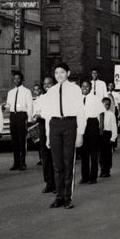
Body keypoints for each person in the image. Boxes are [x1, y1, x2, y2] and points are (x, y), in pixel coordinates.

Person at [43, 63, 86, 209]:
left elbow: (81, 112)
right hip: (55, 126)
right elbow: (48, 115)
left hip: (69, 124)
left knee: (68, 162)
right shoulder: (51, 91)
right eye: (56, 73)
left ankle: (68, 197)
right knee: (57, 164)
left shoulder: (75, 89)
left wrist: (80, 134)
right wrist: (48, 136)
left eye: (62, 72)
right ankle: (59, 196)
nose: (59, 75)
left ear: (68, 73)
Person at [79, 80, 105, 184]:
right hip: (82, 125)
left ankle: (93, 177)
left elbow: (102, 113)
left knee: (93, 152)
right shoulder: (78, 98)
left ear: (90, 88)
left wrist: (101, 127)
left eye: (87, 86)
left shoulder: (95, 98)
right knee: (83, 153)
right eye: (83, 86)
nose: (84, 88)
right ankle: (84, 177)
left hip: (92, 124)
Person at [6, 71, 33, 171]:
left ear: (22, 80)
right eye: (15, 78)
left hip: (22, 116)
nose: (16, 80)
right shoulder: (10, 92)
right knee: (14, 140)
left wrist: (29, 119)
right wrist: (5, 107)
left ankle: (23, 162)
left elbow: (30, 105)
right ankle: (16, 162)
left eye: (18, 78)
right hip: (13, 116)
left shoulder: (27, 91)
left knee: (22, 140)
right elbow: (9, 105)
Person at [34, 77, 56, 193]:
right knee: (45, 155)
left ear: (54, 84)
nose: (47, 85)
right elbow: (37, 112)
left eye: (50, 83)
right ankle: (49, 183)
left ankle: (57, 184)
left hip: (54, 125)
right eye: (45, 84)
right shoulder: (41, 98)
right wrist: (37, 115)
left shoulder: (58, 96)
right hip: (43, 125)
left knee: (55, 156)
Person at [99, 97, 118, 178]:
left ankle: (107, 170)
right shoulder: (98, 113)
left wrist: (113, 138)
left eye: (108, 104)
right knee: (101, 154)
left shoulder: (111, 114)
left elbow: (114, 126)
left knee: (107, 154)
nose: (107, 106)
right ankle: (102, 170)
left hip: (107, 134)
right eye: (105, 104)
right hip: (100, 135)